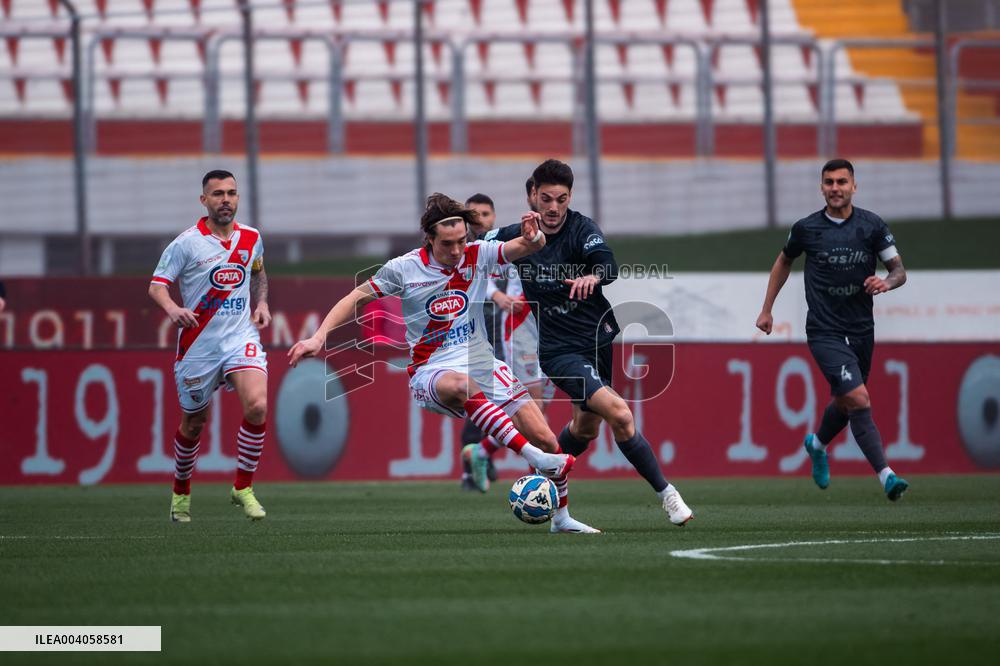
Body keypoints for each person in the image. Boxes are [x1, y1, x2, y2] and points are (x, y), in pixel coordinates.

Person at [289, 193, 598, 533]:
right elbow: (355, 298)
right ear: (430, 239)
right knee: (465, 389)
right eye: (448, 244)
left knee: (548, 440)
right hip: (430, 370)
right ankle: (532, 459)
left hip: (481, 360)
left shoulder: (478, 255)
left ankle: (562, 519)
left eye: (462, 241)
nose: (456, 250)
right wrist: (319, 337)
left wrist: (533, 235)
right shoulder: (404, 268)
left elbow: (527, 247)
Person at [486, 160, 694, 526]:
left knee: (585, 428)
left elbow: (608, 265)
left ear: (570, 198)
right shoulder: (515, 235)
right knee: (621, 415)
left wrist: (592, 277)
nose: (553, 208)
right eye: (546, 198)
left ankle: (541, 477)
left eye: (561, 200)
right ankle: (668, 495)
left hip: (597, 340)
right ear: (532, 195)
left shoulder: (582, 229)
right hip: (559, 351)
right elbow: (469, 250)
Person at [756, 158, 909, 500]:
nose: (836, 188)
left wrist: (887, 282)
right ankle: (887, 476)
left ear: (854, 186)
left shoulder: (872, 226)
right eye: (829, 182)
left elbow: (899, 270)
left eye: (842, 182)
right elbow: (784, 260)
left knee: (846, 399)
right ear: (821, 187)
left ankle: (817, 444)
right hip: (824, 330)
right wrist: (767, 309)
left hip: (861, 330)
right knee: (858, 396)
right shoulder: (807, 228)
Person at [149, 170, 271, 522]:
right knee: (194, 423)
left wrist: (261, 304)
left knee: (258, 406)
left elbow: (258, 272)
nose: (226, 200)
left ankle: (242, 487)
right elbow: (157, 286)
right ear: (204, 201)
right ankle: (181, 492)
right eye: (218, 194)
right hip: (199, 346)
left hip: (240, 338)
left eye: (232, 193)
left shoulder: (251, 237)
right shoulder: (187, 243)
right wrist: (173, 308)